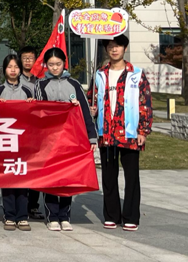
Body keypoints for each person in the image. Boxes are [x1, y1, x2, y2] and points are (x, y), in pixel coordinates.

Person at [94, 34, 151, 231]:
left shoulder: (137, 74)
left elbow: (145, 103)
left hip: (130, 133)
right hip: (106, 133)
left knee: (131, 176)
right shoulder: (100, 74)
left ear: (124, 48)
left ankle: (131, 217)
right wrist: (93, 110)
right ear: (106, 49)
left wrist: (143, 130)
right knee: (108, 176)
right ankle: (111, 215)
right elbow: (93, 98)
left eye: (118, 46)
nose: (114, 49)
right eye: (110, 46)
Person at [38, 47, 96, 231]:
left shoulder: (74, 84)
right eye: (51, 64)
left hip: (71, 140)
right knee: (51, 178)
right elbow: (40, 111)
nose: (55, 68)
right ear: (46, 65)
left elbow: (85, 112)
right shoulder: (40, 85)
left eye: (58, 64)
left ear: (64, 64)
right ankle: (52, 216)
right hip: (50, 141)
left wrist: (92, 137)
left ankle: (65, 216)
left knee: (68, 177)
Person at [0, 55, 37, 232]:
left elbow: (34, 115)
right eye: (9, 67)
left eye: (16, 67)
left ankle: (22, 216)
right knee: (8, 178)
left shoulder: (27, 90)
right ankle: (9, 215)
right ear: (4, 69)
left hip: (23, 141)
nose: (13, 70)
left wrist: (31, 104)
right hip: (4, 140)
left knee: (22, 178)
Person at [17, 45, 44, 219]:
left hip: (36, 130)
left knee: (35, 168)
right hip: (19, 130)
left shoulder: (41, 80)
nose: (28, 61)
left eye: (31, 58)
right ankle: (19, 205)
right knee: (20, 167)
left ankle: (33, 205)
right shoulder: (15, 80)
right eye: (25, 58)